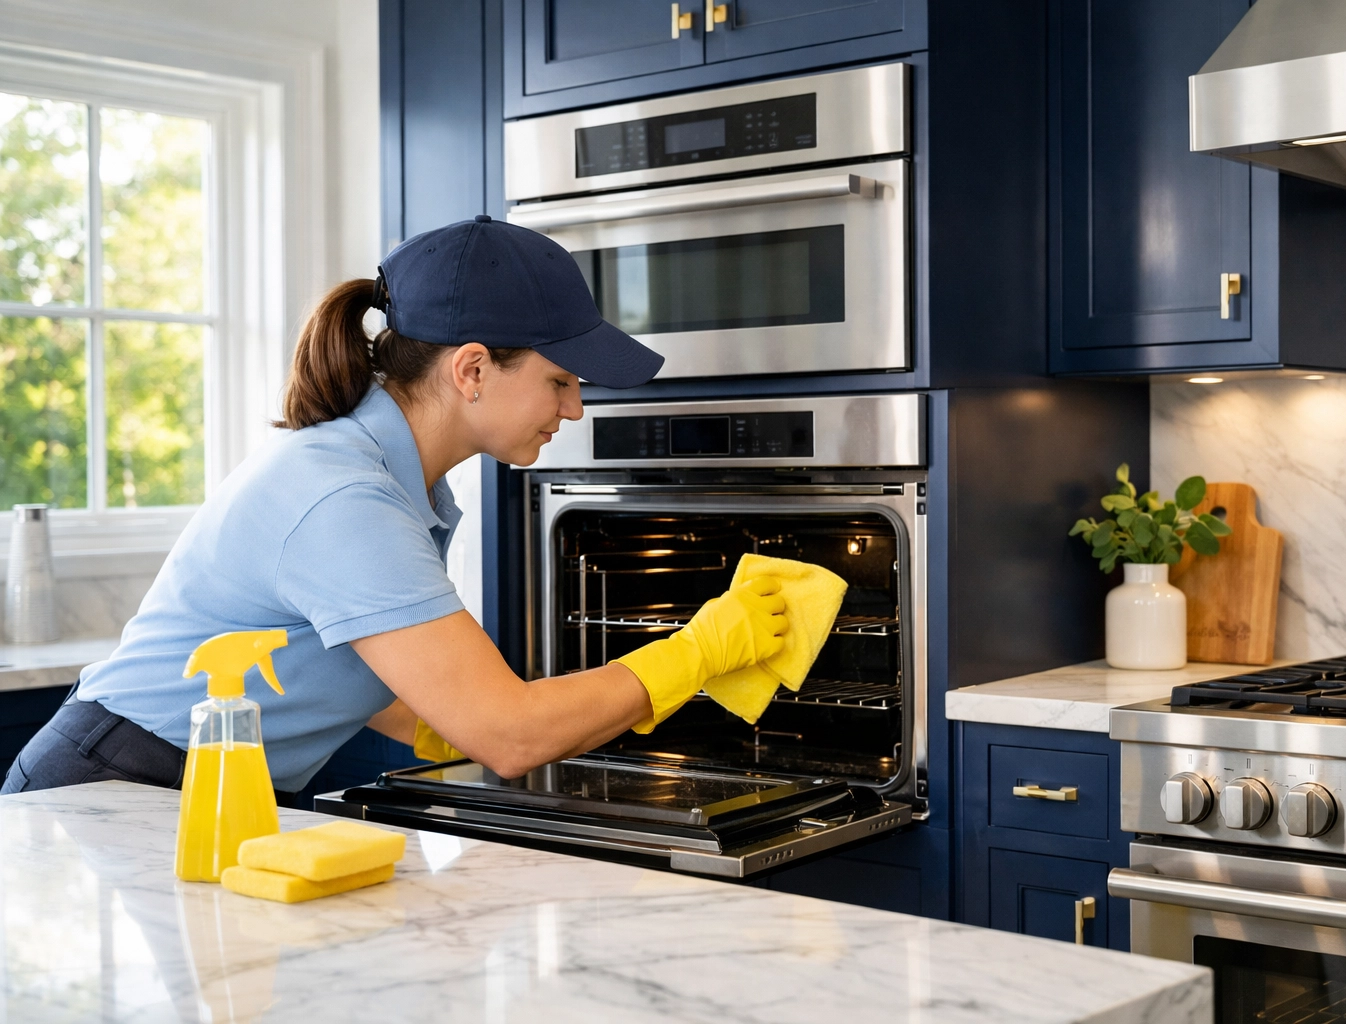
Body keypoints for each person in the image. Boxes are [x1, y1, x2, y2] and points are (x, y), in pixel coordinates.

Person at [2, 216, 788, 798]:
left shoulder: (397, 480)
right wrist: (703, 650)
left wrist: (474, 726)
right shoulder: (344, 496)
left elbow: (364, 673)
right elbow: (509, 734)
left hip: (194, 782)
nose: (576, 407)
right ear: (473, 370)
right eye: (560, 379)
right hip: (110, 785)